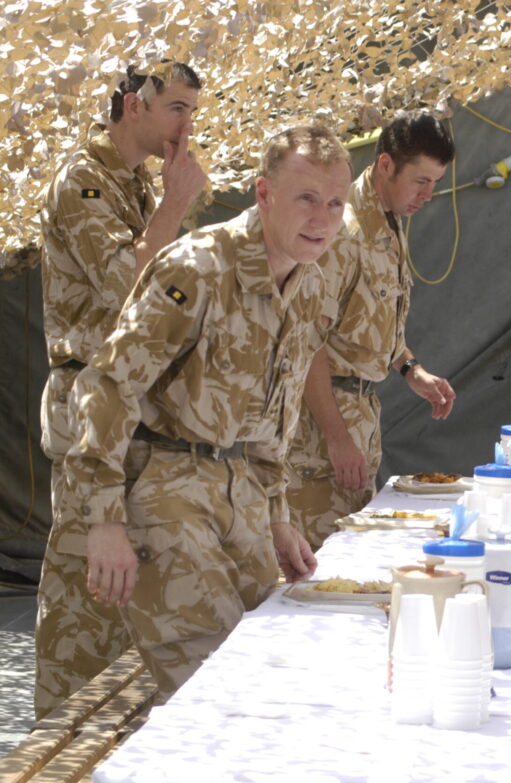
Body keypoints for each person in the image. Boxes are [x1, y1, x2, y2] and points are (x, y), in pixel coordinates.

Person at [61, 124, 350, 701]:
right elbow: (109, 384)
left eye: (337, 203)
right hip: (168, 496)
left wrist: (278, 515)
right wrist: (105, 520)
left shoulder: (310, 283)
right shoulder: (197, 269)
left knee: (274, 669)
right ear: (264, 194)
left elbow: (278, 413)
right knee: (221, 693)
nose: (323, 218)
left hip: (240, 497)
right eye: (307, 199)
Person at [35, 59, 207, 717]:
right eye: (177, 108)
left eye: (192, 109)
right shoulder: (83, 181)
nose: (186, 125)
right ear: (135, 103)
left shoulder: (136, 183)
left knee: (129, 600)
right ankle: (55, 761)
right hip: (90, 408)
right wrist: (175, 204)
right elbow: (125, 286)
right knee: (85, 604)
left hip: (138, 412)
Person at [286, 111, 457, 550]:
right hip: (318, 439)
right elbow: (307, 341)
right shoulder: (343, 232)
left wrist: (410, 368)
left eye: (435, 182)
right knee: (313, 575)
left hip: (360, 421)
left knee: (352, 566)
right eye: (420, 180)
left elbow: (371, 319)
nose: (428, 194)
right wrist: (336, 437)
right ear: (385, 166)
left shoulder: (389, 221)